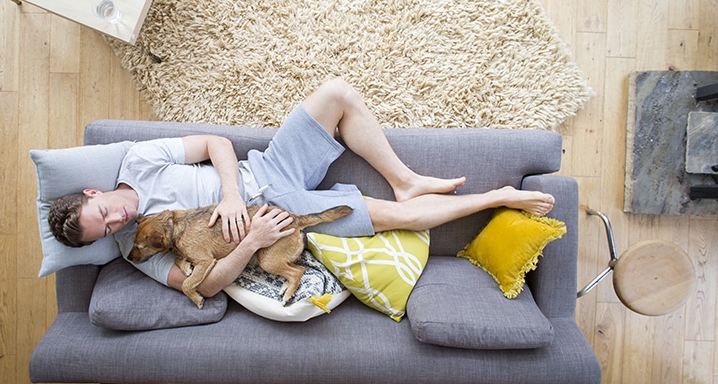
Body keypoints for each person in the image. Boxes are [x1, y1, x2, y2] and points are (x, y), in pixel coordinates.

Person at [49, 78, 554, 298]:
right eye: (105, 233)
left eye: (108, 213)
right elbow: (198, 286)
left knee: (336, 93)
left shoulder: (138, 161)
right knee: (397, 220)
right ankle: (496, 198)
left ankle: (405, 180)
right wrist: (251, 239)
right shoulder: (134, 248)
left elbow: (214, 142)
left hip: (263, 171)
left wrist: (230, 194)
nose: (118, 223)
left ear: (95, 193)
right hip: (279, 218)